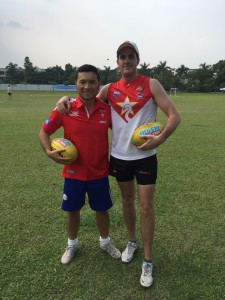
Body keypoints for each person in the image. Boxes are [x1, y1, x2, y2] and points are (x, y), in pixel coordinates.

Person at [56, 41, 181, 287]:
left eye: (131, 56)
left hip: (145, 157)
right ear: (117, 62)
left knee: (145, 207)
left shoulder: (151, 84)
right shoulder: (110, 89)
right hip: (120, 158)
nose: (126, 60)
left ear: (137, 60)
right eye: (122, 56)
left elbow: (174, 116)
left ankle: (147, 260)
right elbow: (85, 98)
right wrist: (64, 99)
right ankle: (131, 242)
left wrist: (161, 137)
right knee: (126, 201)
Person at [39, 64, 121, 265]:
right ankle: (72, 245)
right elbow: (44, 131)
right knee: (72, 210)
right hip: (73, 173)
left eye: (92, 82)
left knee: (102, 210)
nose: (87, 86)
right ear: (75, 84)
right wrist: (49, 152)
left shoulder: (107, 111)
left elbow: (124, 130)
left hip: (99, 173)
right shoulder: (65, 108)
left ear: (98, 84)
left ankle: (105, 243)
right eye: (82, 82)